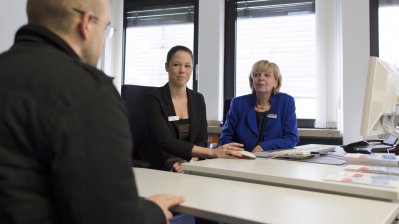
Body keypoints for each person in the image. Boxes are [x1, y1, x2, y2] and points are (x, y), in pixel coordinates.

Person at [0, 0, 184, 223]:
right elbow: (110, 216)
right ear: (86, 23)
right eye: (106, 29)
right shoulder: (88, 91)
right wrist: (153, 213)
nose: (104, 44)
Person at [141, 45, 244, 171]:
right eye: (176, 65)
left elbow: (201, 139)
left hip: (190, 163)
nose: (182, 70)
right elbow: (165, 141)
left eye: (187, 66)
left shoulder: (198, 99)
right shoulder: (154, 99)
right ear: (166, 67)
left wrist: (189, 161)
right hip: (160, 164)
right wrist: (212, 153)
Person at [219, 60, 299, 153]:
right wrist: (235, 151)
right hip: (241, 159)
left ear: (275, 82)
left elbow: (291, 138)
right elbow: (226, 137)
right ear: (252, 81)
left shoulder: (286, 102)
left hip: (274, 160)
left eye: (267, 75)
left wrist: (263, 147)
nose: (261, 78)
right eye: (256, 75)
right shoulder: (238, 103)